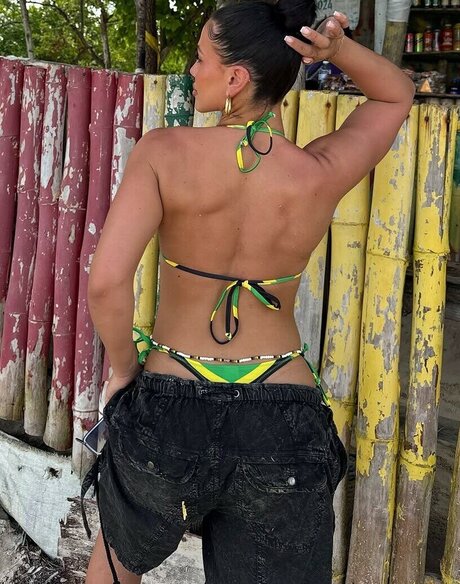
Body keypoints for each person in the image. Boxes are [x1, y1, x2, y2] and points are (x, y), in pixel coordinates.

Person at [83, 1, 415, 583]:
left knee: (114, 567)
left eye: (201, 58)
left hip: (171, 402)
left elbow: (108, 282)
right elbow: (395, 96)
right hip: (282, 418)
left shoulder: (163, 153)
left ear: (235, 78)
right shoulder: (318, 171)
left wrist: (123, 371)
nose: (192, 70)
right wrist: (336, 50)